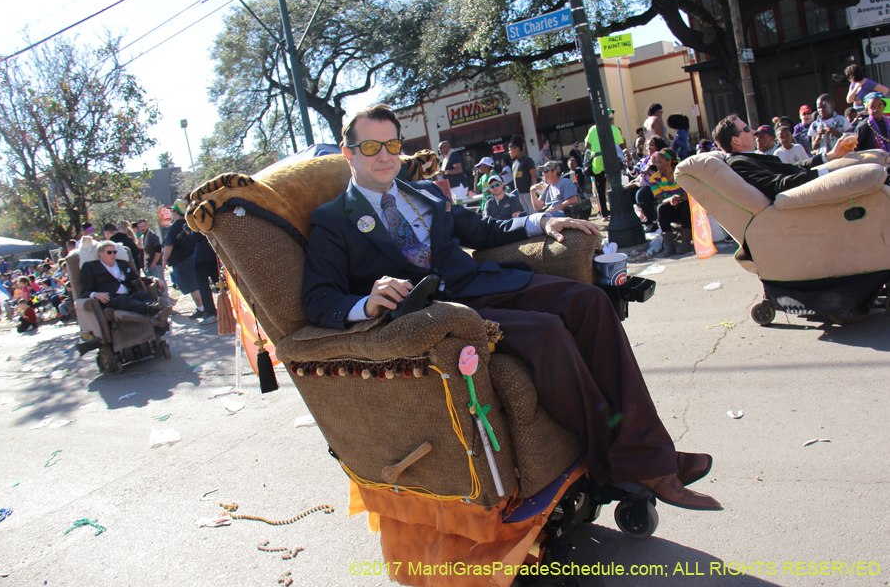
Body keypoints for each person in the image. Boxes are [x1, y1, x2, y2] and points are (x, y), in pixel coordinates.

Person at [302, 104, 722, 511]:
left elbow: (484, 229)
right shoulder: (332, 220)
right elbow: (318, 299)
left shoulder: (427, 194)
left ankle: (649, 450)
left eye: (392, 146)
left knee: (590, 301)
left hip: (480, 284)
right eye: (371, 147)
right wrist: (367, 303)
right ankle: (634, 464)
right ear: (349, 153)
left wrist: (543, 221)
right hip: (441, 317)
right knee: (547, 333)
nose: (385, 157)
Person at [712, 114, 858, 200]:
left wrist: (831, 156)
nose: (754, 132)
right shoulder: (739, 163)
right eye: (746, 129)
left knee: (857, 163)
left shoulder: (748, 157)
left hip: (806, 192)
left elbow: (792, 169)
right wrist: (826, 175)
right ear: (735, 140)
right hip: (802, 201)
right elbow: (778, 184)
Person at [79, 240, 169, 326]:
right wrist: (96, 295)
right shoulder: (90, 267)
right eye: (109, 252)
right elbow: (85, 291)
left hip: (129, 294)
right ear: (100, 254)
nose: (113, 255)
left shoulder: (122, 264)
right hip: (110, 298)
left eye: (114, 252)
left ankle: (155, 312)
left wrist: (152, 279)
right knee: (122, 300)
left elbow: (137, 278)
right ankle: (154, 308)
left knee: (142, 294)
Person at [162, 200, 203, 317]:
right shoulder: (188, 223)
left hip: (182, 261)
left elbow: (169, 245)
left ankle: (202, 308)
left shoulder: (174, 226)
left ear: (175, 212)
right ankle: (203, 307)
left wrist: (164, 259)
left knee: (193, 286)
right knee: (197, 285)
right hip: (192, 257)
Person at [585, 114, 628, 220]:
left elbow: (587, 145)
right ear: (610, 119)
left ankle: (604, 213)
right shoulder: (614, 129)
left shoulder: (593, 129)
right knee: (615, 184)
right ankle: (618, 209)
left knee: (600, 188)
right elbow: (621, 145)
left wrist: (596, 147)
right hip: (611, 158)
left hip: (597, 160)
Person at [509, 135, 537, 215]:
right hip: (519, 193)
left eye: (511, 150)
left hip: (528, 193)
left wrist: (533, 191)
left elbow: (533, 176)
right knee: (525, 214)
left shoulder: (527, 160)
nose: (510, 152)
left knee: (533, 212)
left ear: (517, 148)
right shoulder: (514, 162)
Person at [137, 219, 164, 283]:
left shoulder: (153, 236)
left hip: (156, 265)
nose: (142, 228)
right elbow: (145, 251)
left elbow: (158, 250)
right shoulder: (143, 237)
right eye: (140, 227)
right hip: (149, 265)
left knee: (161, 285)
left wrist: (154, 263)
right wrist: (145, 265)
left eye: (143, 226)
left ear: (147, 225)